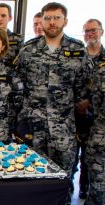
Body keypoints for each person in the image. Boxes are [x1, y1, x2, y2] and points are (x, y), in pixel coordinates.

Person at [15, 2, 93, 199]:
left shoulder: (78, 50)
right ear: (41, 20)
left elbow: (84, 87)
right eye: (48, 18)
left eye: (56, 18)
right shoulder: (28, 50)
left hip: (63, 131)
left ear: (65, 21)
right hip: (33, 128)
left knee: (62, 184)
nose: (52, 22)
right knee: (30, 182)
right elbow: (18, 85)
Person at [83, 19, 105, 205]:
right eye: (86, 31)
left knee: (98, 171)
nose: (90, 34)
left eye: (93, 30)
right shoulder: (78, 56)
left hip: (100, 123)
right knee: (77, 160)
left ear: (101, 32)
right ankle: (80, 189)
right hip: (80, 118)